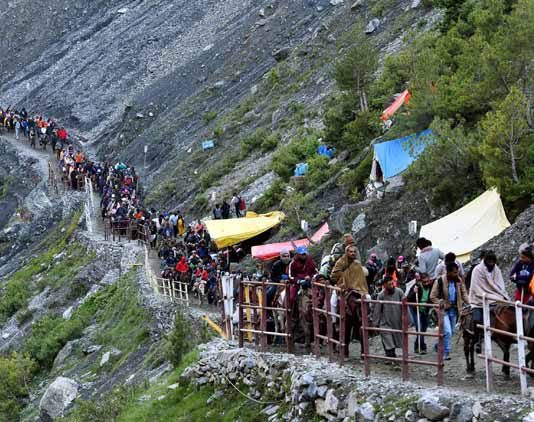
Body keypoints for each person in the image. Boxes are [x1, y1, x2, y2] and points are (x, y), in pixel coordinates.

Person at [468, 251, 509, 353]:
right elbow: (476, 288)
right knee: (477, 319)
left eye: (493, 262)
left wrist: (500, 295)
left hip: (495, 296)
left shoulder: (496, 270)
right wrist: (487, 296)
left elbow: (500, 285)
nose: (491, 264)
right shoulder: (477, 270)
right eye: (489, 261)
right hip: (478, 299)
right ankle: (477, 340)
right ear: (485, 261)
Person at [430, 262, 469, 360]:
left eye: (457, 272)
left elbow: (464, 294)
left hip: (454, 310)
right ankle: (445, 353)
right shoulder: (439, 281)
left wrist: (470, 303)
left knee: (450, 331)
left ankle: (437, 346)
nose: (457, 274)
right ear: (448, 272)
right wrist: (440, 302)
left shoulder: (458, 281)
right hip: (443, 310)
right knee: (447, 331)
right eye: (455, 272)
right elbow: (432, 296)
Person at [372, 277, 404, 359]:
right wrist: (375, 324)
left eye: (392, 284)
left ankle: (391, 356)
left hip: (397, 320)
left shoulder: (399, 292)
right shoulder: (381, 295)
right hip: (385, 322)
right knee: (387, 339)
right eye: (389, 284)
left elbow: (405, 305)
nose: (391, 286)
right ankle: (390, 357)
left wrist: (406, 320)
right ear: (385, 285)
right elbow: (377, 310)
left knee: (395, 339)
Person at [406, 273, 433, 354]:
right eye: (424, 282)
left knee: (423, 329)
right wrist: (414, 292)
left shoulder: (431, 287)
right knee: (419, 328)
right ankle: (422, 346)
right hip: (415, 309)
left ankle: (417, 345)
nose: (426, 283)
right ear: (421, 281)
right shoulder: (416, 286)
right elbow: (408, 298)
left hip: (425, 309)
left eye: (428, 281)